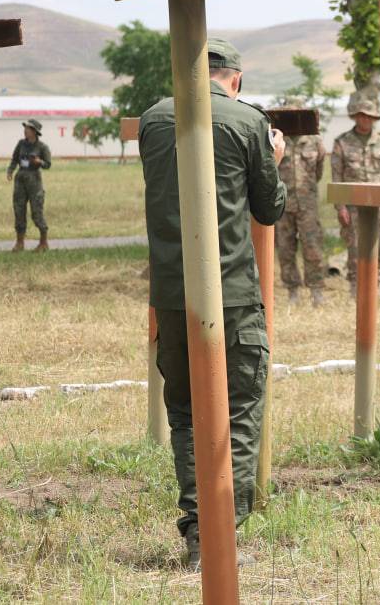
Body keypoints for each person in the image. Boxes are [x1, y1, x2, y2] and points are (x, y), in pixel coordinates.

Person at [139, 38, 287, 568]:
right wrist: (272, 156)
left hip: (173, 295)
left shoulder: (153, 120)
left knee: (185, 411)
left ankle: (198, 528)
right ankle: (221, 533)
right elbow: (269, 209)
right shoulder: (246, 123)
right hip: (233, 295)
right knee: (241, 409)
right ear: (236, 79)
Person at [331, 91, 380, 286]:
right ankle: (355, 287)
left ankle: (377, 286)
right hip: (353, 206)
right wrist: (341, 207)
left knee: (379, 246)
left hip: (379, 205)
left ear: (374, 118)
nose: (365, 119)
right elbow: (336, 176)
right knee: (354, 248)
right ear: (355, 116)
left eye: (369, 116)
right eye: (361, 115)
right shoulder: (342, 142)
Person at [275, 102, 327, 305]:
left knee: (313, 247)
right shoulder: (276, 140)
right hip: (283, 203)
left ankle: (316, 291)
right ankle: (292, 292)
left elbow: (319, 170)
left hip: (307, 205)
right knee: (285, 248)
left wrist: (308, 190)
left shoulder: (314, 140)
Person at [6, 119, 51, 251]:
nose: (25, 130)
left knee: (37, 211)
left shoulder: (42, 147)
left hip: (34, 180)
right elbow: (14, 159)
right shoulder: (21, 144)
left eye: (29, 129)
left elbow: (48, 164)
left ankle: (43, 242)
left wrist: (39, 161)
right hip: (20, 179)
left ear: (35, 132)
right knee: (19, 210)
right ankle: (20, 242)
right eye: (25, 128)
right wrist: (10, 171)